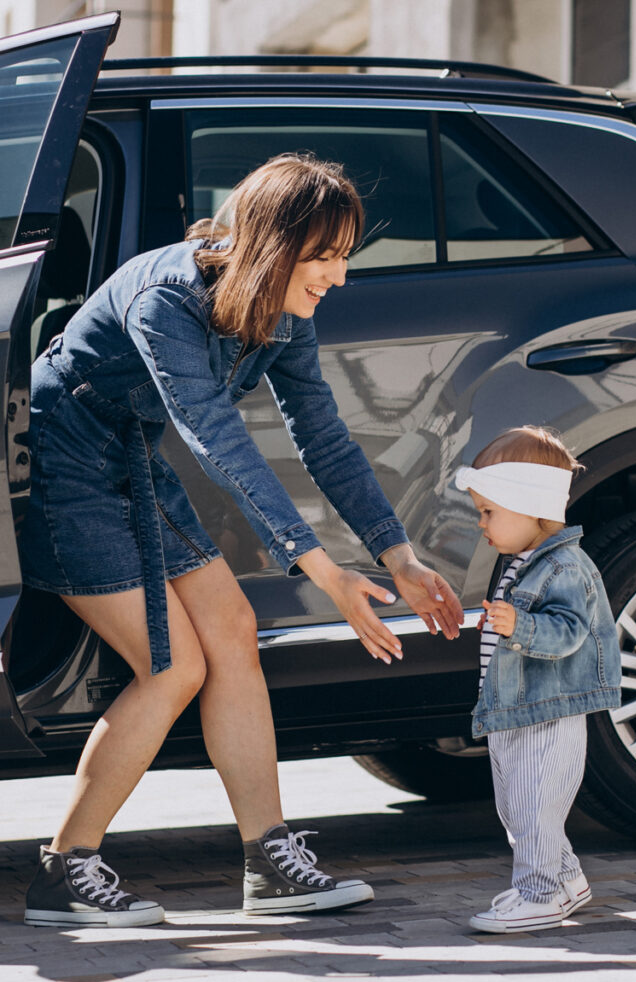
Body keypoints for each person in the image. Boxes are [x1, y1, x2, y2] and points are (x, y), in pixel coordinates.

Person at [17, 154, 463, 928]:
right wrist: (323, 569)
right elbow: (216, 438)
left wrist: (400, 556)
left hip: (130, 459)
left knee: (234, 632)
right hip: (64, 464)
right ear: (270, 244)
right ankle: (66, 869)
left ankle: (269, 859)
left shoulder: (283, 312)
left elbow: (321, 433)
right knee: (172, 665)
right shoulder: (168, 301)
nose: (338, 277)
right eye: (323, 256)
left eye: (344, 256)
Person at [453, 426, 621, 933]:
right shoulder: (524, 563)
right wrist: (501, 623)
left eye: (489, 512)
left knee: (534, 807)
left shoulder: (564, 566)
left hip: (549, 714)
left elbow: (569, 632)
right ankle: (566, 880)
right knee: (516, 807)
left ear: (529, 507)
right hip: (514, 711)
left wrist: (519, 625)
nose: (481, 524)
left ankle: (540, 893)